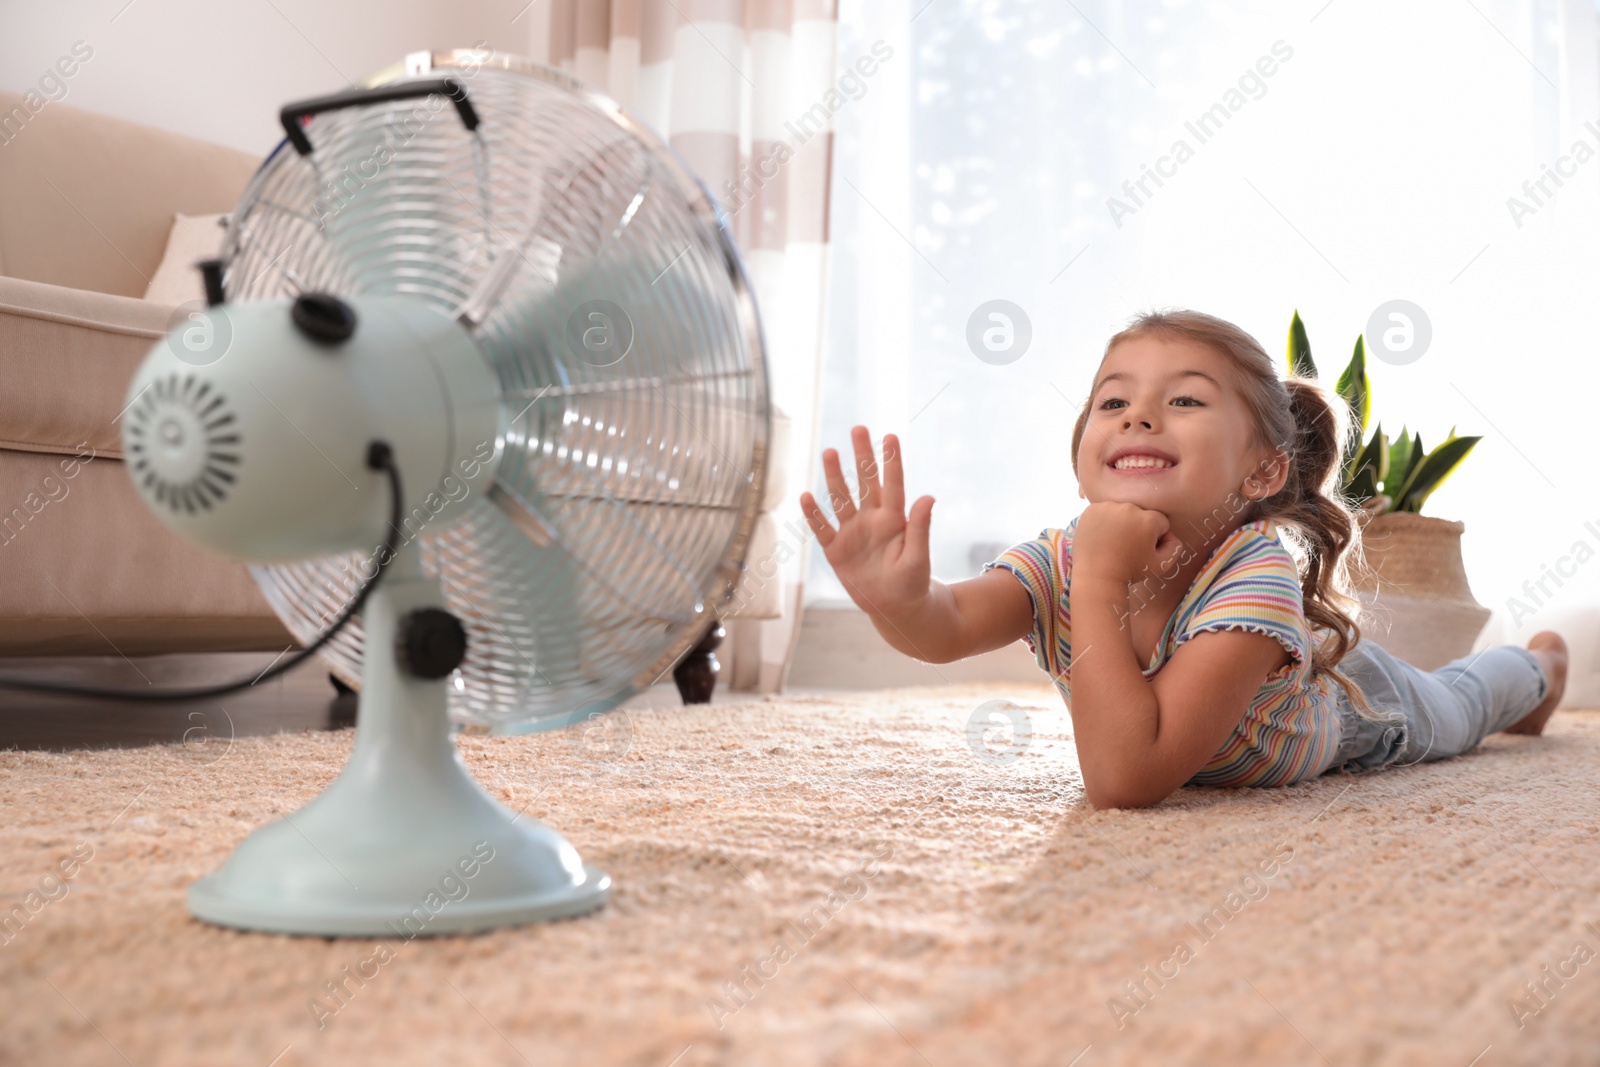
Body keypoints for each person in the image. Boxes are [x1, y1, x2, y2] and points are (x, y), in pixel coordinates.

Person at [798, 308, 1568, 809]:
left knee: (1460, 705)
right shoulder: (1061, 556)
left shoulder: (1252, 572)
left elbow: (1127, 776)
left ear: (1263, 470)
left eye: (1186, 400)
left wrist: (1100, 580)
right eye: (1112, 401)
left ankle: (1537, 672)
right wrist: (897, 601)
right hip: (1212, 696)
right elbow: (949, 625)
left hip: (1358, 712)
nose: (1138, 414)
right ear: (1082, 457)